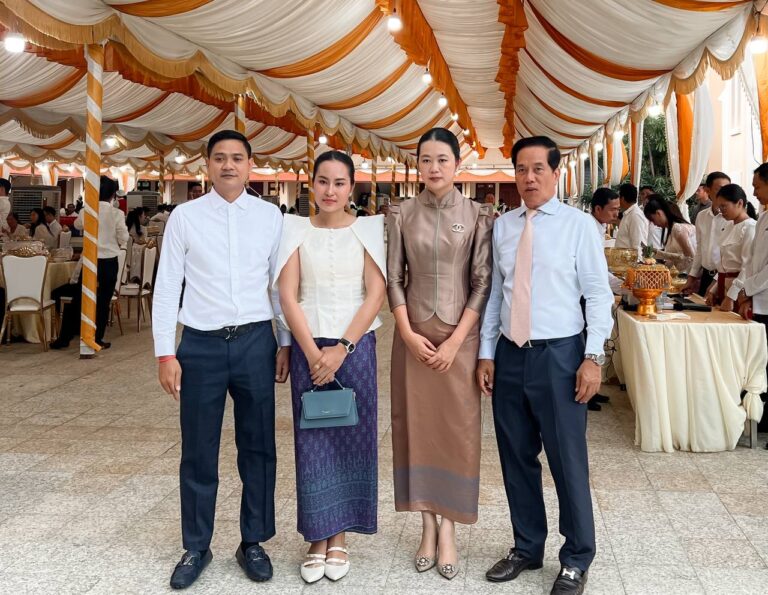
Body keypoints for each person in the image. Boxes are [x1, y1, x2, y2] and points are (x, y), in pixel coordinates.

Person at [152, 130, 290, 589]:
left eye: (237, 158)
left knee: (258, 447)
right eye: (219, 158)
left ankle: (254, 541)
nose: (228, 165)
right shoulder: (185, 217)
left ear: (250, 165)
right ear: (207, 165)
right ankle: (196, 545)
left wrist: (284, 342)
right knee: (198, 449)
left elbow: (279, 286)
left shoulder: (270, 217)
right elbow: (167, 287)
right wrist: (165, 352)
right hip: (200, 347)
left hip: (255, 342)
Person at [478, 136, 613, 595]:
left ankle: (576, 558)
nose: (529, 178)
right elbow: (496, 295)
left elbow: (598, 294)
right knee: (515, 456)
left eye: (538, 169)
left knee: (566, 460)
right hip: (511, 354)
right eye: (521, 169)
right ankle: (526, 546)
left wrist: (592, 357)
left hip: (560, 356)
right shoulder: (504, 226)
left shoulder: (579, 226)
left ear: (556, 174)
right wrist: (487, 352)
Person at [274, 151, 386, 584]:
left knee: (351, 438)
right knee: (313, 441)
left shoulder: (368, 229)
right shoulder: (294, 229)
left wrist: (342, 348)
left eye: (339, 183)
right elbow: (288, 295)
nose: (330, 191)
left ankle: (339, 535)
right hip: (309, 347)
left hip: (355, 348)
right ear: (311, 184)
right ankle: (316, 535)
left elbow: (375, 293)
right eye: (323, 181)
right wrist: (309, 351)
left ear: (351, 186)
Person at [387, 127, 492, 580]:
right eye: (426, 160)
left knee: (457, 431)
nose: (433, 168)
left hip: (459, 341)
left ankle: (449, 525)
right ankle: (426, 524)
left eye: (442, 160)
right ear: (418, 165)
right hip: (412, 338)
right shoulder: (401, 213)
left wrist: (455, 342)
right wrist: (407, 333)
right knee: (415, 427)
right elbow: (393, 278)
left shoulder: (477, 215)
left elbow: (482, 282)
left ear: (456, 165)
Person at [53, 176, 129, 350]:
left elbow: (78, 225)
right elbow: (123, 237)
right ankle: (97, 338)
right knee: (103, 302)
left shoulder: (86, 211)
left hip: (90, 261)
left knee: (79, 298)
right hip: (109, 261)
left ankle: (64, 338)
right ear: (113, 195)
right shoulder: (117, 214)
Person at [730, 163, 768, 448]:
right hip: (759, 297)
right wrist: (746, 293)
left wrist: (747, 290)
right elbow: (754, 262)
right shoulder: (764, 215)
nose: (754, 192)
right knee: (762, 362)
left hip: (762, 291)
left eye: (757, 186)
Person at [707, 184, 756, 311]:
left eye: (724, 206)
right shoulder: (728, 226)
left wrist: (731, 297)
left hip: (739, 291)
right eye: (719, 207)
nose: (721, 210)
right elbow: (724, 265)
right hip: (723, 285)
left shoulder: (750, 227)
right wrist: (714, 289)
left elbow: (748, 267)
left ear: (739, 203)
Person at [682, 171, 731, 296]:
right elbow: (700, 249)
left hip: (725, 278)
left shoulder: (732, 219)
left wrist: (716, 283)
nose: (725, 194)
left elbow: (732, 257)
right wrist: (691, 278)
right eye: (720, 189)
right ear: (708, 190)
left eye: (728, 189)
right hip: (706, 275)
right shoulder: (702, 216)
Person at [643, 196, 697, 271]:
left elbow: (691, 258)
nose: (654, 224)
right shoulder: (673, 229)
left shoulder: (677, 228)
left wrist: (658, 253)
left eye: (652, 219)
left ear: (658, 213)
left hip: (688, 274)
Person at [614, 183, 648, 255]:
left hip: (629, 260)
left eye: (619, 197)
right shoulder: (628, 213)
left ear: (622, 199)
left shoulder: (635, 215)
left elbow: (637, 245)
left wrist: (637, 261)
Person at [639, 185, 663, 249]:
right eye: (643, 194)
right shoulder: (638, 211)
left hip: (657, 248)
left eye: (648, 194)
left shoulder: (660, 212)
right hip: (641, 248)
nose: (645, 196)